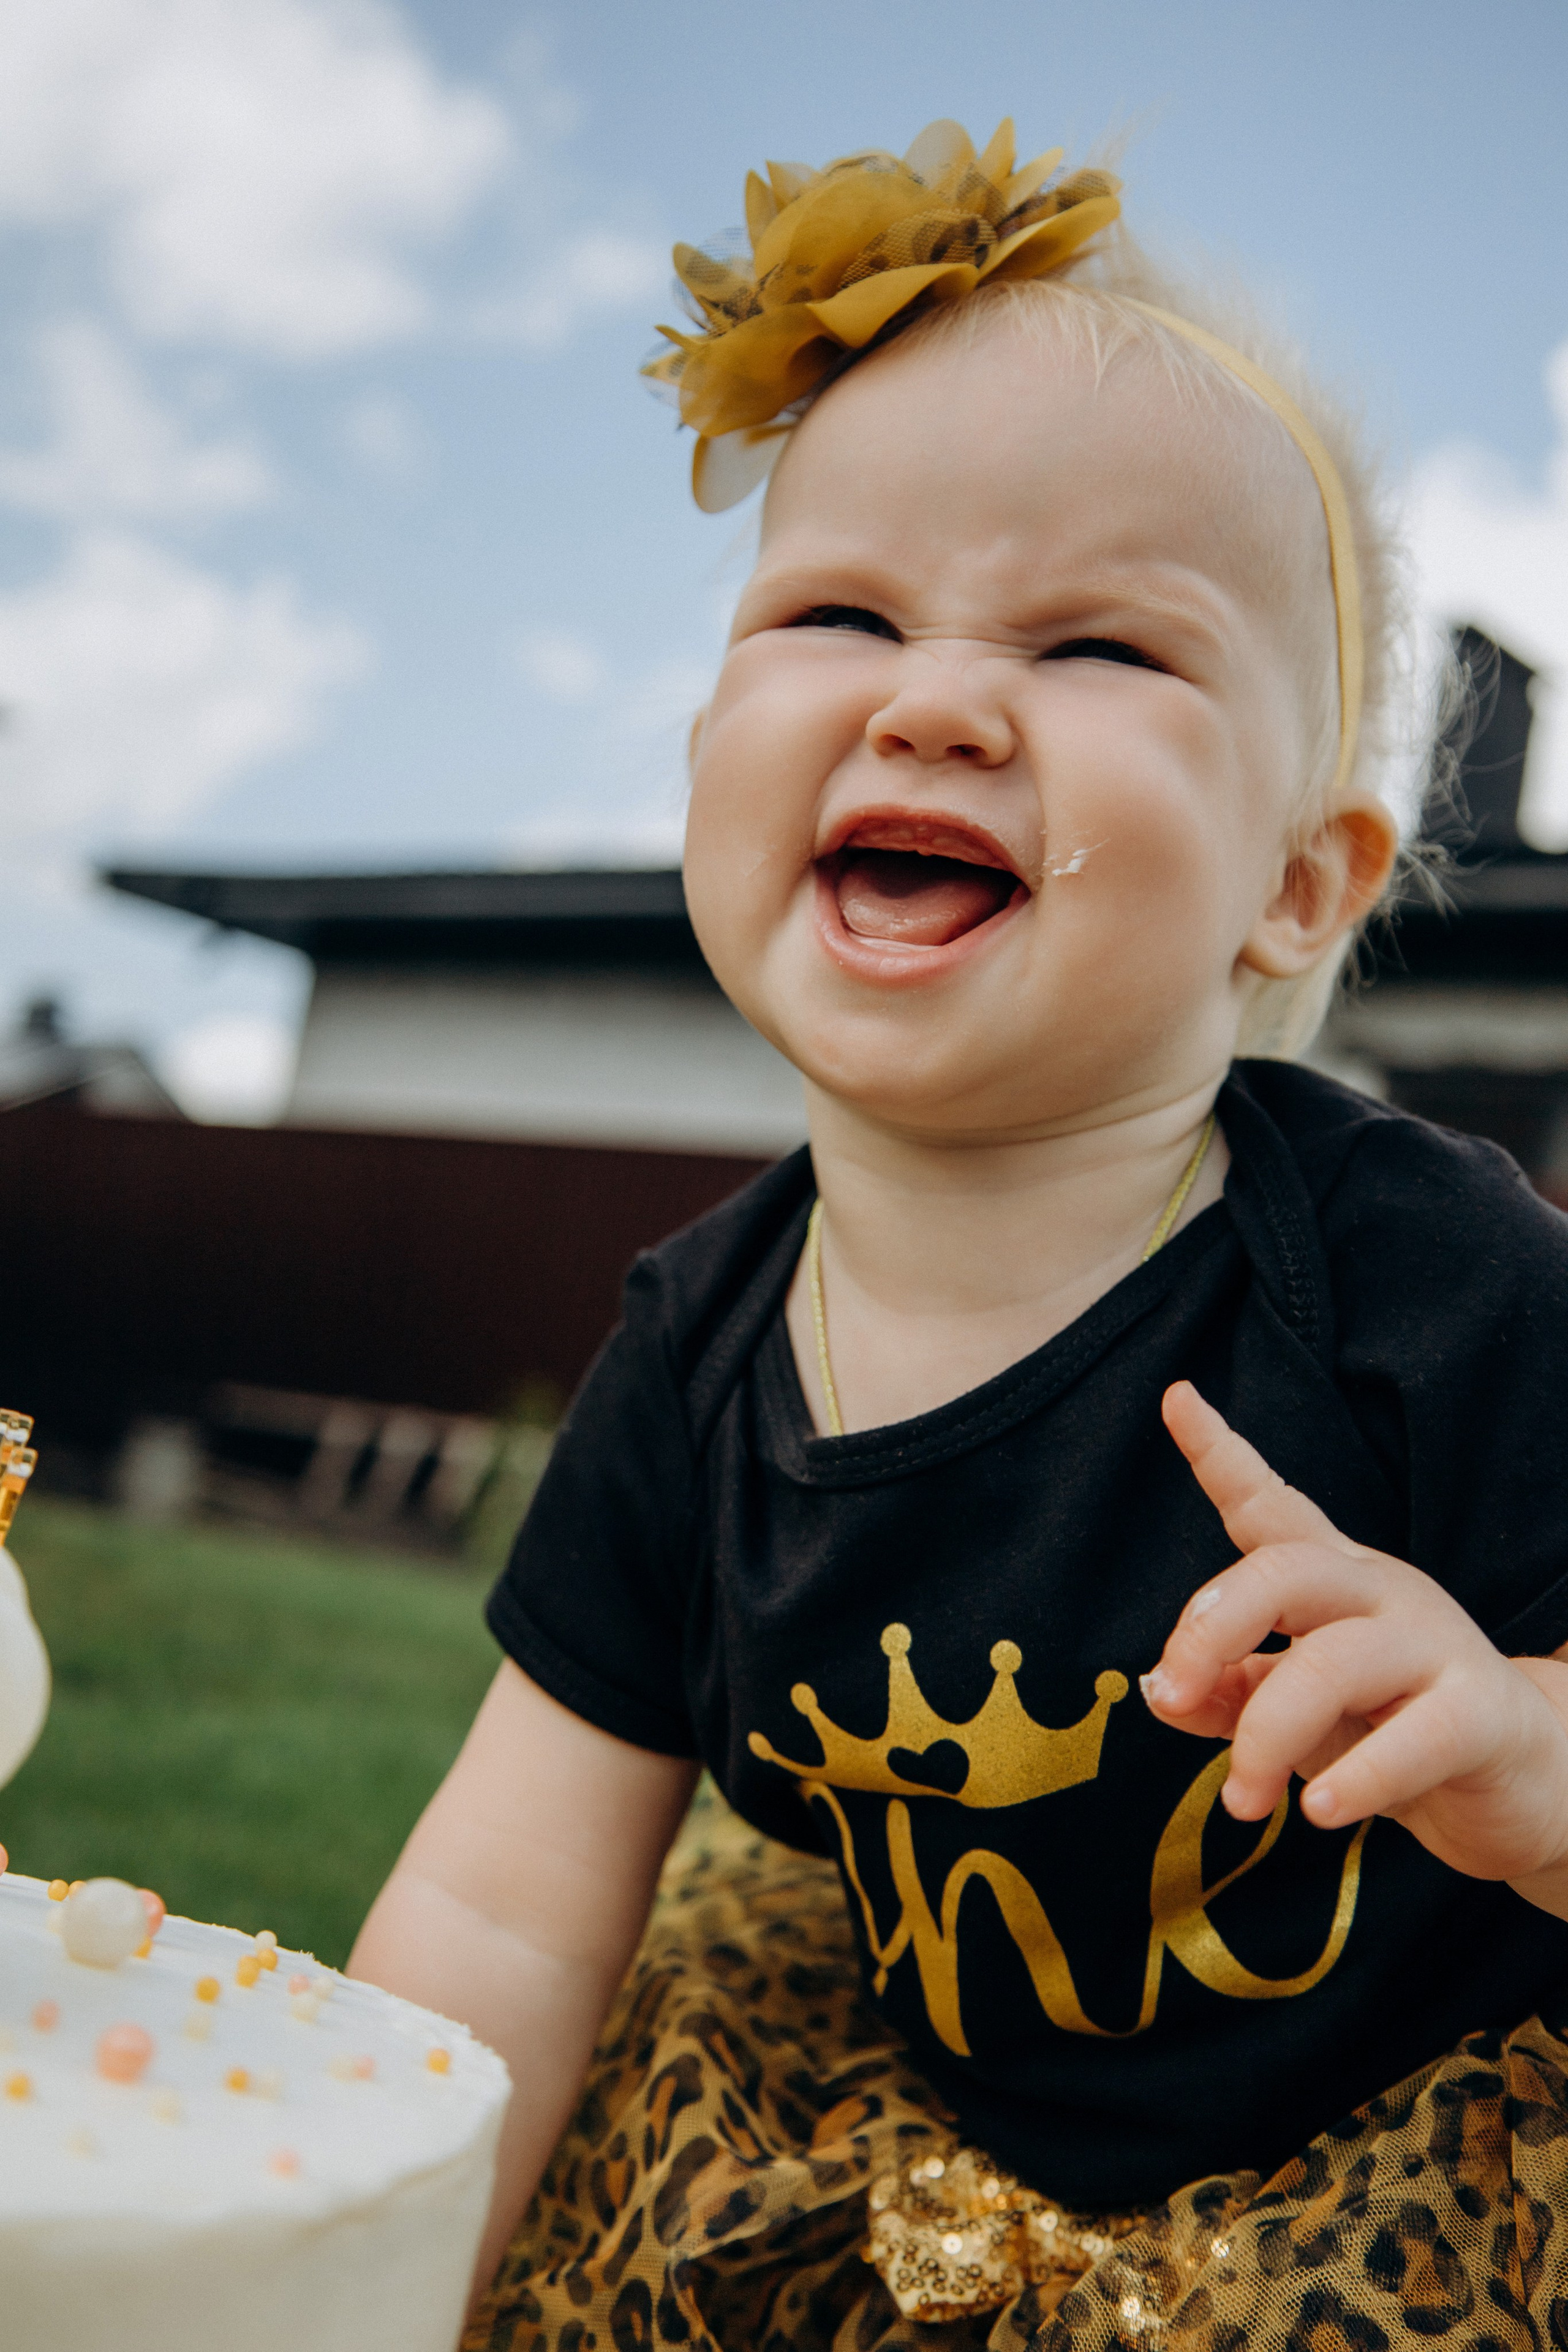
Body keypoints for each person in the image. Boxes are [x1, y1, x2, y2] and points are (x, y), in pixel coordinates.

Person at [350, 121, 1568, 2351]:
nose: (930, 697)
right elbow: (508, 1915)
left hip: (1431, 2179)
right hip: (937, 2176)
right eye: (839, 613)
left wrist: (1526, 1744)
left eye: (1098, 642)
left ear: (1297, 883)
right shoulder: (704, 1347)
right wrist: (352, 2265)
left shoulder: (1417, 1269)